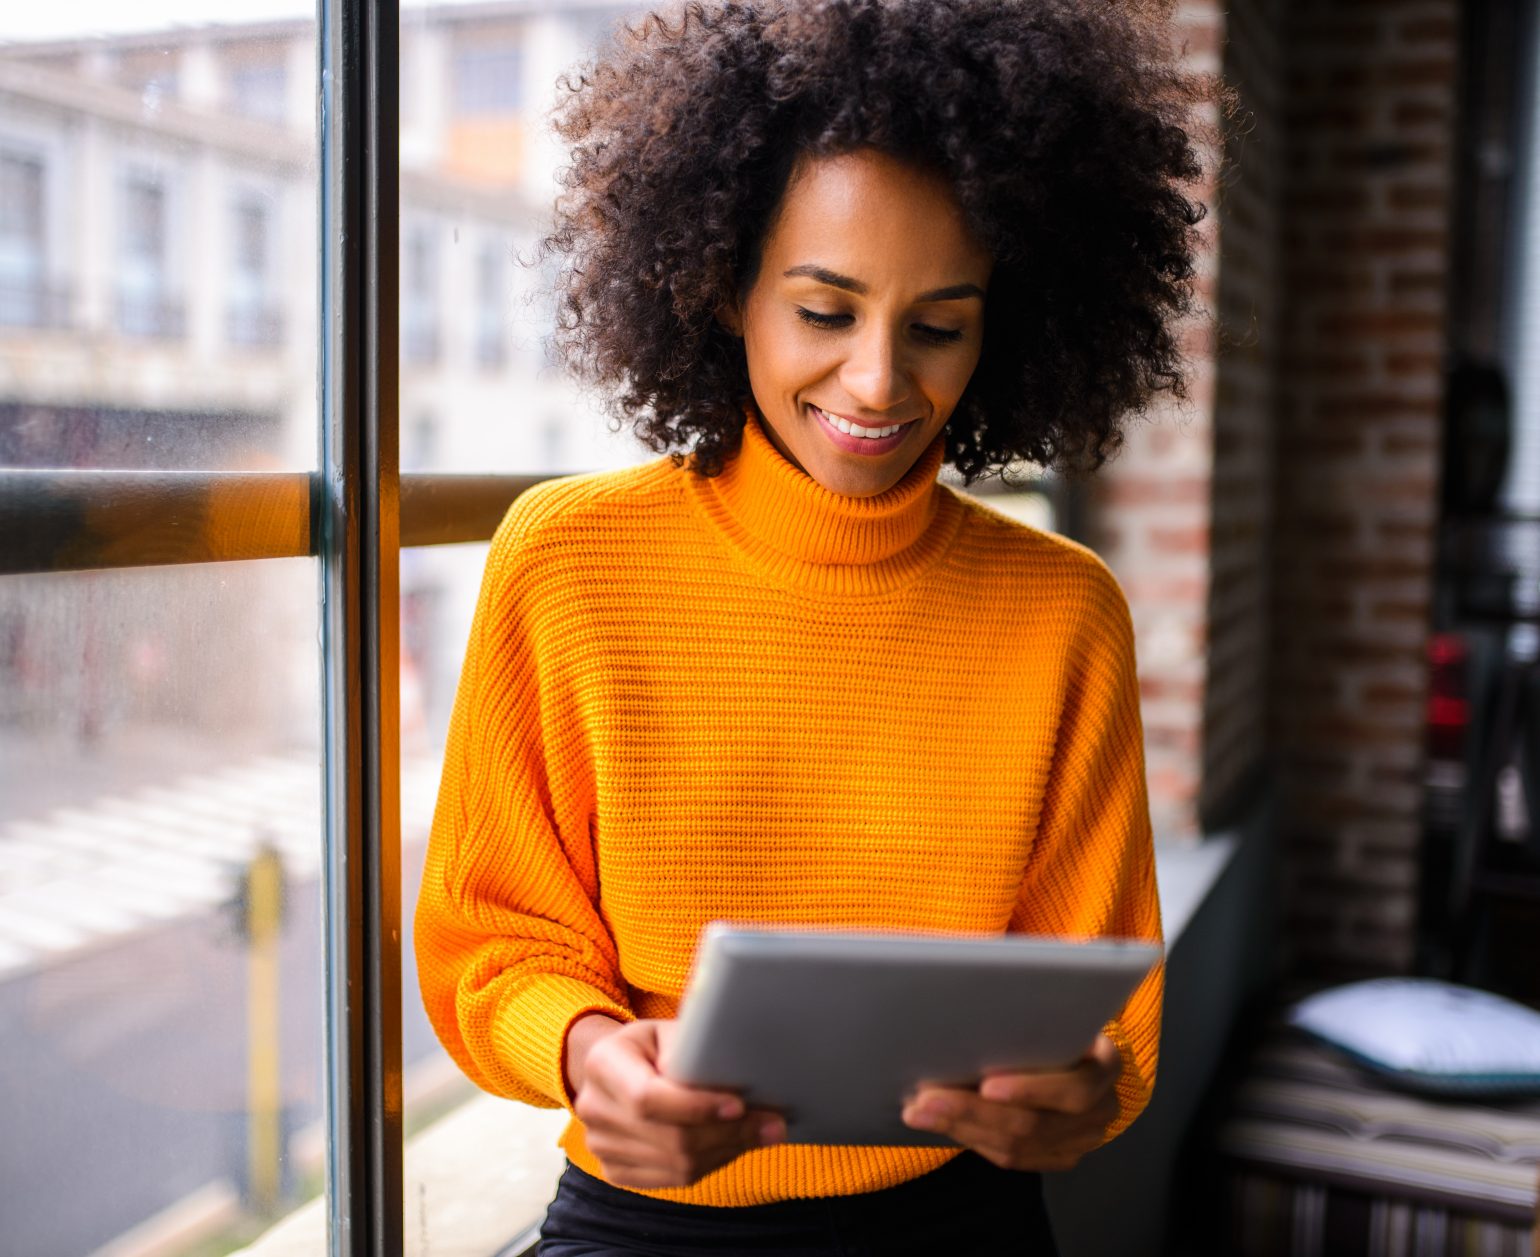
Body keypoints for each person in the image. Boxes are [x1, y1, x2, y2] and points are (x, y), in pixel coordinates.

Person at [413, 1, 1210, 1252]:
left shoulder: (1064, 612)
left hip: (963, 1222)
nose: (881, 382)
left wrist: (1083, 1097)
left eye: (940, 324)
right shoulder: (567, 561)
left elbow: (1110, 1011)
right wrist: (581, 1053)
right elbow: (495, 933)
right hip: (650, 1226)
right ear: (722, 285)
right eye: (825, 312)